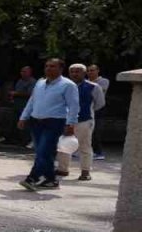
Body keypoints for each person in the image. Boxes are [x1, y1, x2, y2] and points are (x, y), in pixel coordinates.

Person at [18, 58, 79, 191]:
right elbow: (32, 101)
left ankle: (32, 178)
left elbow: (74, 106)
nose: (48, 69)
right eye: (47, 66)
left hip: (54, 122)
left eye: (52, 66)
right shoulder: (40, 83)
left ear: (60, 69)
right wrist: (24, 117)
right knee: (44, 153)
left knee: (43, 151)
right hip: (36, 121)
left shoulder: (68, 85)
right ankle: (51, 179)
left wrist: (71, 124)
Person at [56, 64, 105, 182]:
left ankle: (85, 171)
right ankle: (63, 169)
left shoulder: (93, 87)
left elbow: (100, 104)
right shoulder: (63, 86)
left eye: (77, 72)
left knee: (85, 146)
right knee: (63, 145)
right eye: (72, 71)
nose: (74, 74)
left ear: (84, 73)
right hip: (65, 120)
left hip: (84, 120)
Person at [87, 64, 109, 160]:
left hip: (99, 109)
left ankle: (99, 152)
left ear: (97, 71)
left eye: (92, 70)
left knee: (96, 131)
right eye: (89, 71)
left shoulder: (103, 81)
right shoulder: (85, 82)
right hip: (87, 108)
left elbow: (99, 91)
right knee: (86, 131)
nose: (90, 72)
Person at [10, 66, 37, 147]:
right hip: (17, 105)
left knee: (26, 124)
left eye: (24, 71)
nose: (22, 73)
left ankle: (27, 141)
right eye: (21, 71)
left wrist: (16, 93)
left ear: (30, 72)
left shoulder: (32, 82)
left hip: (26, 106)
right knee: (16, 122)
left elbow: (31, 94)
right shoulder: (19, 81)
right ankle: (19, 140)